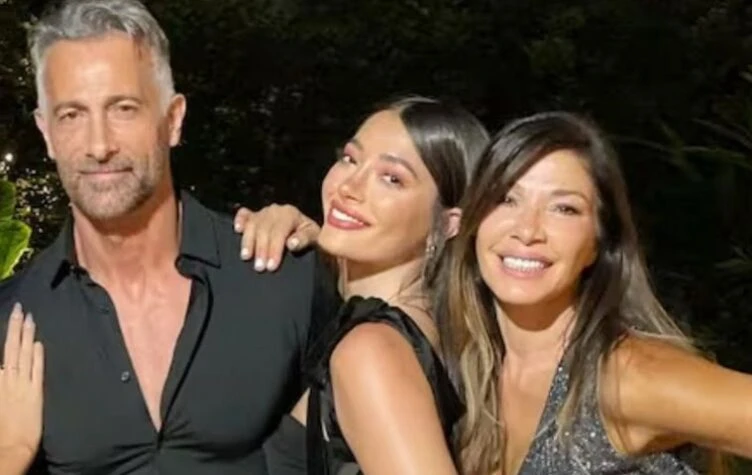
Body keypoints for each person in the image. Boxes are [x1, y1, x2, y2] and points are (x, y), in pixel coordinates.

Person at [0, 0, 334, 473]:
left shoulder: (283, 278)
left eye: (123, 108)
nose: (99, 145)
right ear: (46, 133)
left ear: (173, 119)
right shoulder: (10, 322)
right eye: (72, 115)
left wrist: (340, 253)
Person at [440, 111, 752, 474]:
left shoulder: (624, 376)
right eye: (506, 199)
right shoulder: (467, 375)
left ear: (598, 244)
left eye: (564, 209)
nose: (527, 230)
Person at [237, 96, 489, 474]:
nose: (348, 186)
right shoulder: (428, 331)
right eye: (350, 159)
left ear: (449, 223)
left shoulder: (371, 351)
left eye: (392, 178)